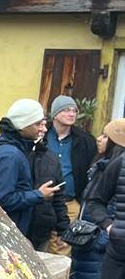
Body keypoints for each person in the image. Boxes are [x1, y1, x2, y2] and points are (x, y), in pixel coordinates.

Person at [70, 122, 125, 279]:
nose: (99, 140)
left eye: (105, 136)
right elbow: (95, 201)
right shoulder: (116, 165)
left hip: (107, 246)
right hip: (115, 251)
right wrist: (109, 227)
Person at [0, 99, 60, 236]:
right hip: (3, 232)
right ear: (22, 126)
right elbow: (1, 200)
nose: (44, 129)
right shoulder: (10, 156)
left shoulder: (14, 151)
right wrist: (39, 194)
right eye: (38, 124)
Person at [45, 94, 98, 226]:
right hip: (43, 202)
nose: (72, 114)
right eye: (66, 110)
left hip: (70, 203)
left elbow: (94, 170)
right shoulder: (42, 136)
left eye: (74, 110)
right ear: (55, 114)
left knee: (65, 238)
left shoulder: (85, 140)